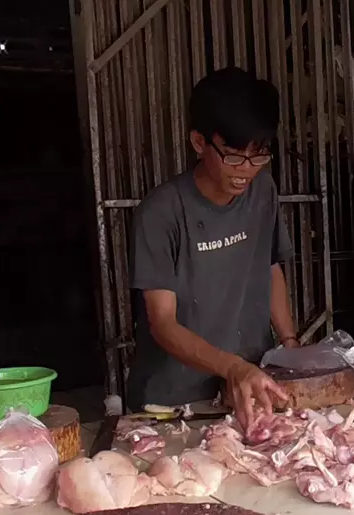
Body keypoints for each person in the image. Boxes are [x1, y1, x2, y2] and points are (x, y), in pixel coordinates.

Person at [128, 67, 297, 430]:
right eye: (233, 156)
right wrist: (232, 366)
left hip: (247, 389)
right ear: (199, 142)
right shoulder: (161, 212)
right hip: (174, 403)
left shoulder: (262, 191)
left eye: (259, 155)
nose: (246, 171)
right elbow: (162, 323)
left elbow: (268, 267)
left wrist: (288, 342)